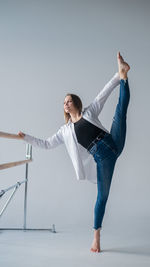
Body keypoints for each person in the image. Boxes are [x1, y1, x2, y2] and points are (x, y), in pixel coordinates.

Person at [18, 52, 130, 253]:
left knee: (120, 111)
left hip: (113, 142)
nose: (66, 103)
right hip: (103, 158)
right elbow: (45, 144)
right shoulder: (65, 131)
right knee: (102, 197)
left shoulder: (89, 112)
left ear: (76, 103)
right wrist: (25, 137)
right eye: (64, 102)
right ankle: (96, 236)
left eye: (69, 100)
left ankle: (123, 75)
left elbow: (103, 93)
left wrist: (116, 77)